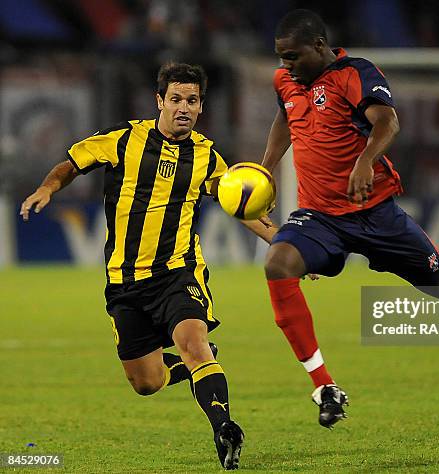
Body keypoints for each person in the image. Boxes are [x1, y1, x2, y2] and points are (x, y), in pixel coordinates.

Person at [260, 9, 439, 429]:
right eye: (280, 57)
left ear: (319, 47)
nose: (285, 65)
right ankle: (325, 386)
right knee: (277, 263)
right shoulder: (285, 81)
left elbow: (387, 121)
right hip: (319, 215)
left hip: (376, 214)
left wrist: (365, 161)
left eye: (292, 56)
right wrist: (266, 167)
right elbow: (286, 117)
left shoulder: (355, 73)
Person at [20, 62, 276, 470]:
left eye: (192, 101)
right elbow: (72, 162)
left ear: (201, 107)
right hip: (124, 281)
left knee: (193, 345)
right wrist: (47, 188)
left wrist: (283, 244)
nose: (183, 108)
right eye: (175, 99)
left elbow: (239, 206)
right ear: (160, 101)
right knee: (146, 383)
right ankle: (185, 368)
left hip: (179, 272)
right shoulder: (124, 139)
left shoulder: (208, 157)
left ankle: (224, 427)